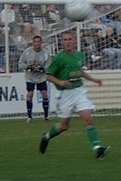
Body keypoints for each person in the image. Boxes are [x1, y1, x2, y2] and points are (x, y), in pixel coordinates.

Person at [38, 31, 109, 159]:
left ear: (74, 41)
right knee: (64, 126)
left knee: (88, 119)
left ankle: (98, 149)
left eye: (70, 39)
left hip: (79, 90)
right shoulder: (59, 57)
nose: (68, 42)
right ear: (62, 42)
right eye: (65, 40)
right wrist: (60, 82)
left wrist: (93, 79)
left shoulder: (78, 55)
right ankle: (46, 137)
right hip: (65, 94)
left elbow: (79, 70)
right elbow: (48, 76)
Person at [18, 35, 52, 123]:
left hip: (41, 77)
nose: (37, 43)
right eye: (35, 42)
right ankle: (29, 116)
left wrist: (43, 68)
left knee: (44, 94)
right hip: (30, 77)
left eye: (38, 42)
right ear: (32, 43)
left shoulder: (45, 53)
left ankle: (46, 116)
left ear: (41, 43)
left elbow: (49, 65)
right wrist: (28, 67)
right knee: (30, 94)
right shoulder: (27, 52)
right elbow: (20, 64)